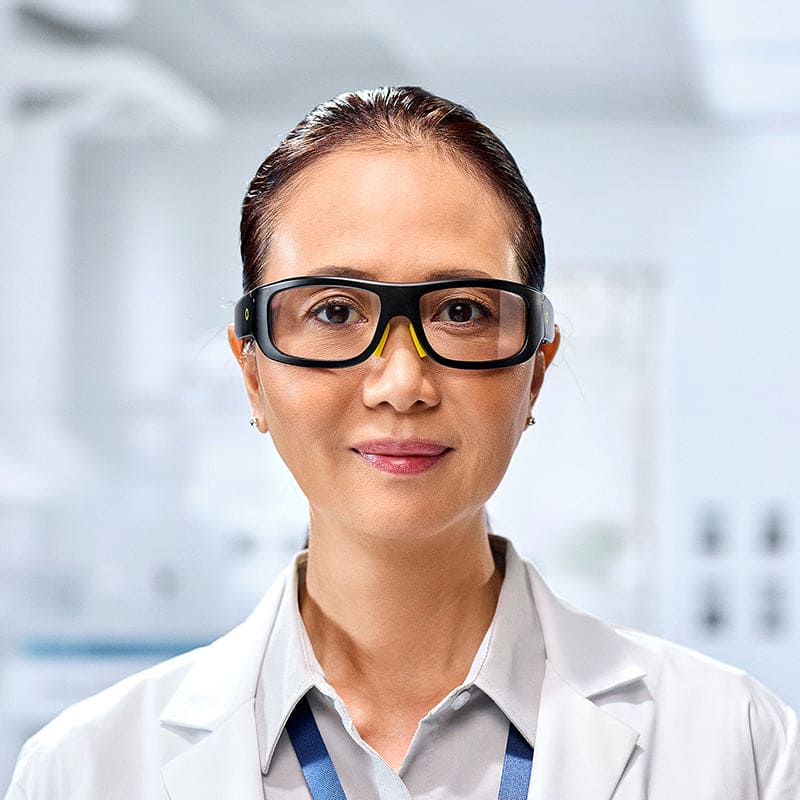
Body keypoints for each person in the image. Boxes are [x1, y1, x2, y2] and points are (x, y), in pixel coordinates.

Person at [4, 86, 798, 800]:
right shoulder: (85, 772)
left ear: (536, 374)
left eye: (460, 312)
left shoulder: (739, 750)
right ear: (252, 374)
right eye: (335, 312)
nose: (401, 385)